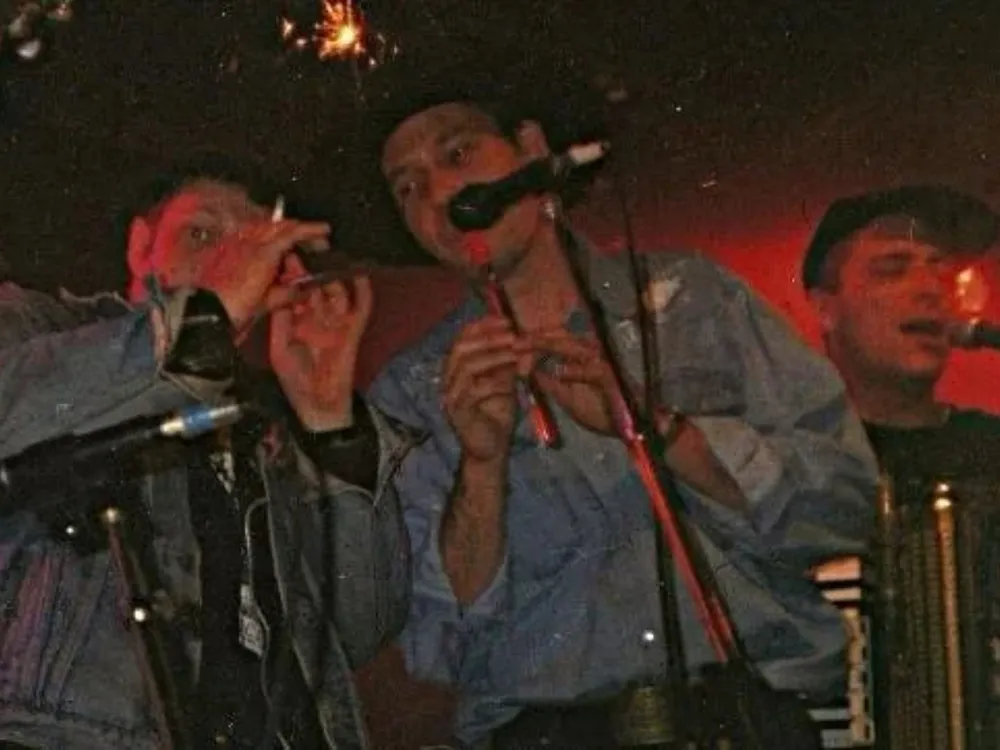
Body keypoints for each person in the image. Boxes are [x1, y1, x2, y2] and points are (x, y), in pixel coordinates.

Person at [350, 72, 879, 749]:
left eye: (458, 157)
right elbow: (438, 643)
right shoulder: (411, 391)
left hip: (742, 721)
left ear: (532, 149)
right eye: (409, 188)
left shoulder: (696, 301)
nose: (444, 197)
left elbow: (847, 504)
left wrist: (657, 430)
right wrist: (480, 466)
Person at [0, 155, 409, 749]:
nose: (229, 260)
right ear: (141, 245)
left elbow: (357, 630)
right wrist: (199, 323)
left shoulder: (265, 426)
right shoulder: (45, 327)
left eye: (249, 246)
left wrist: (327, 416)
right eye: (202, 233)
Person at [803, 185, 1000, 748]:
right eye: (894, 267)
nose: (929, 288)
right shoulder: (790, 461)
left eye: (940, 268)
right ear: (824, 307)